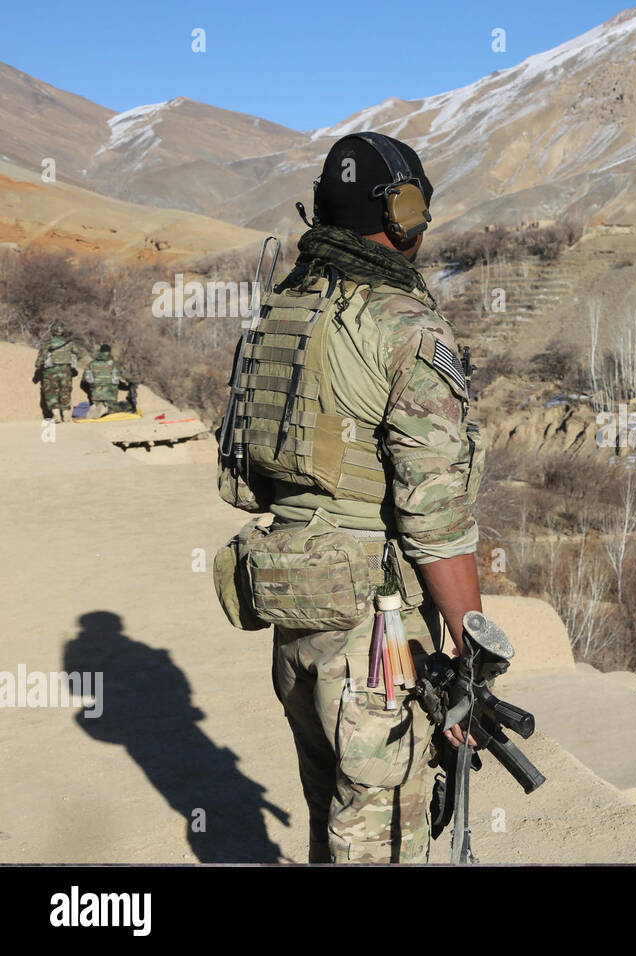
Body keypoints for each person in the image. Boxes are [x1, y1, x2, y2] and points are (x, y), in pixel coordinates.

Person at [215, 132, 484, 863]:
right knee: (381, 831)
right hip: (375, 625)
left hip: (293, 595)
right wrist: (470, 646)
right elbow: (434, 514)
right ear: (401, 213)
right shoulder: (402, 322)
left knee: (329, 804)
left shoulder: (287, 305)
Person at [33, 322, 85, 422]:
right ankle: (66, 415)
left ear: (52, 331)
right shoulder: (70, 344)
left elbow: (39, 361)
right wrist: (71, 360)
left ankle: (56, 415)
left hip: (50, 373)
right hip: (66, 372)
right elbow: (80, 354)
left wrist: (38, 366)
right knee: (65, 392)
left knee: (51, 393)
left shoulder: (48, 343)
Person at [83, 344, 131, 417]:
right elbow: (128, 376)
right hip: (110, 397)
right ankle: (106, 409)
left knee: (98, 404)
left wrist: (91, 392)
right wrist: (128, 385)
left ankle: (96, 406)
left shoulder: (91, 364)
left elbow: (83, 383)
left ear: (100, 352)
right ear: (109, 352)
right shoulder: (114, 364)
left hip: (95, 396)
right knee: (121, 408)